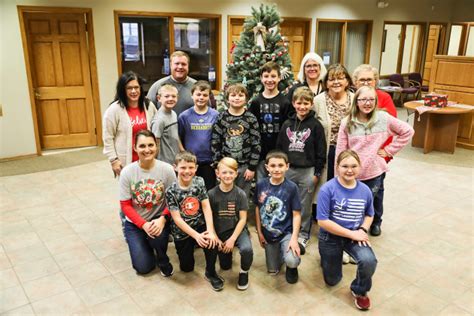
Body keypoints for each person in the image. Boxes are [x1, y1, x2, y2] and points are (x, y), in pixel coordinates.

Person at [335, 86, 414, 236]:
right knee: (356, 201)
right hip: (353, 172)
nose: (367, 103)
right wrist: (337, 175)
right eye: (363, 99)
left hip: (374, 171)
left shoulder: (383, 118)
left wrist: (389, 151)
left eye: (371, 99)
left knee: (375, 199)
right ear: (356, 102)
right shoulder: (347, 122)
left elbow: (408, 131)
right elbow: (341, 150)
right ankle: (358, 226)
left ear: (376, 101)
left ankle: (376, 222)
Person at [317, 149, 377, 311]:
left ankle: (360, 290)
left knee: (369, 261)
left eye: (353, 166)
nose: (349, 170)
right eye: (344, 166)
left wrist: (363, 230)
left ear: (359, 167)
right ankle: (327, 259)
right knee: (332, 280)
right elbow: (322, 221)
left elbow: (369, 214)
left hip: (355, 235)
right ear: (337, 167)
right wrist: (353, 234)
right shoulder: (327, 189)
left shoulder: (365, 190)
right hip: (330, 237)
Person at [276, 87, 326, 254]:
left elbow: (321, 151)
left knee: (304, 204)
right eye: (299, 103)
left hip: (307, 170)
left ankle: (303, 233)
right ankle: (288, 228)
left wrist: (317, 173)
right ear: (293, 103)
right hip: (289, 169)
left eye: (306, 103)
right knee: (286, 200)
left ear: (311, 104)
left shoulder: (316, 125)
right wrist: (281, 167)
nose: (302, 106)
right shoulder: (287, 124)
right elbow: (280, 147)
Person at [119, 129, 176, 276]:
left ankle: (156, 245)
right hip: (136, 223)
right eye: (142, 146)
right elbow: (125, 205)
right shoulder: (127, 172)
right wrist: (143, 225)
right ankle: (145, 243)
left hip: (158, 219)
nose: (147, 150)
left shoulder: (167, 170)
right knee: (143, 267)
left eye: (150, 145)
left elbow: (174, 199)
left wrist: (163, 219)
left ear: (156, 146)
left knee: (158, 237)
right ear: (135, 148)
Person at [165, 151, 223, 291]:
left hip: (199, 224)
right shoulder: (171, 191)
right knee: (186, 268)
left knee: (212, 241)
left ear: (196, 168)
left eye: (191, 167)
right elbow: (177, 218)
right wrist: (196, 236)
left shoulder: (199, 181)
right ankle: (192, 244)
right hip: (182, 231)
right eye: (183, 167)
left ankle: (210, 272)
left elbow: (205, 206)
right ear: (175, 167)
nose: (187, 171)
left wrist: (210, 231)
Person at [352, 64, 398, 236]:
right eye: (362, 79)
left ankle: (376, 221)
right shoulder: (353, 98)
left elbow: (393, 127)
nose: (366, 83)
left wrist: (388, 152)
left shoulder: (384, 97)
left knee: (376, 192)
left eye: (369, 79)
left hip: (377, 158)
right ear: (355, 82)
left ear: (375, 81)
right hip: (355, 157)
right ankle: (358, 221)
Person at [254, 150, 302, 284]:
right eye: (273, 166)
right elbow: (257, 208)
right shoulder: (261, 185)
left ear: (287, 166)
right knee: (272, 270)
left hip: (286, 232)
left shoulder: (292, 188)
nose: (276, 169)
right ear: (267, 167)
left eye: (280, 165)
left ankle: (292, 265)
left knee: (291, 260)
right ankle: (281, 252)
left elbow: (296, 214)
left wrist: (294, 238)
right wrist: (259, 232)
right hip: (268, 233)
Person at [208, 157, 254, 290]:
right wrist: (215, 237)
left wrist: (232, 239)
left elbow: (243, 219)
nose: (227, 175)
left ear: (236, 174)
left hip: (237, 231)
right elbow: (209, 218)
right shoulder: (211, 194)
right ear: (218, 174)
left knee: (247, 249)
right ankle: (225, 255)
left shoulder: (240, 194)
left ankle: (244, 272)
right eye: (224, 172)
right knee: (225, 266)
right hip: (220, 232)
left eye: (231, 172)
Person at [211, 83, 261, 198]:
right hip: (225, 166)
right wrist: (217, 165)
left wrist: (252, 167)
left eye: (240, 95)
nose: (237, 98)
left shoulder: (250, 118)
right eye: (233, 95)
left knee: (242, 197)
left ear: (246, 99)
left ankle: (242, 217)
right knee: (224, 197)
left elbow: (256, 143)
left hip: (245, 167)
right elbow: (215, 141)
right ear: (227, 99)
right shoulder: (221, 117)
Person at [103, 71, 156, 177]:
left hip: (148, 158)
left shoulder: (149, 105)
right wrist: (114, 160)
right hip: (126, 161)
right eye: (129, 88)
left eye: (136, 87)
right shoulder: (114, 110)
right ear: (122, 90)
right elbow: (108, 137)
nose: (133, 91)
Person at [249, 61, 290, 180]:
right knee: (262, 186)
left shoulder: (285, 102)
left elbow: (288, 128)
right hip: (261, 153)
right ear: (261, 78)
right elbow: (252, 127)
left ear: (279, 78)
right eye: (266, 76)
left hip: (280, 152)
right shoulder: (256, 102)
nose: (269, 80)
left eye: (273, 76)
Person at [313, 63, 354, 182]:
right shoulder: (318, 101)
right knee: (327, 186)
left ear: (347, 81)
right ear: (326, 83)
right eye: (331, 79)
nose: (336, 82)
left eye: (340, 78)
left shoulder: (355, 99)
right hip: (326, 152)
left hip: (349, 151)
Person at [178, 81, 219, 190]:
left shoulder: (215, 115)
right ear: (192, 96)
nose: (201, 97)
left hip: (208, 162)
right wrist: (184, 155)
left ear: (209, 97)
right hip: (190, 163)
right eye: (198, 94)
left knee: (208, 191)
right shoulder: (184, 116)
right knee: (191, 191)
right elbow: (179, 137)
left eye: (205, 95)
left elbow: (219, 138)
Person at [146, 51, 196, 116]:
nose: (180, 67)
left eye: (183, 64)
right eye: (177, 63)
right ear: (171, 65)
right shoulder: (157, 86)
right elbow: (148, 111)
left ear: (188, 66)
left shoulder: (196, 87)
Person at [151, 84, 183, 165]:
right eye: (167, 96)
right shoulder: (159, 120)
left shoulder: (174, 114)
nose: (170, 99)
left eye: (173, 96)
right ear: (159, 98)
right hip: (164, 163)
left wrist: (182, 151)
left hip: (175, 160)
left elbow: (175, 134)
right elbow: (155, 144)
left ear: (177, 98)